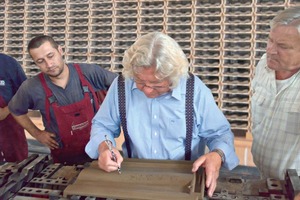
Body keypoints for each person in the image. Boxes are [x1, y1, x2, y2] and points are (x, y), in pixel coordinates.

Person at [85, 32, 239, 197]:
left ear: (173, 77)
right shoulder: (122, 85)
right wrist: (104, 147)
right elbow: (102, 125)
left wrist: (217, 155)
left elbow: (220, 134)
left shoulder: (194, 90)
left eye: (157, 84)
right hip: (132, 179)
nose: (147, 89)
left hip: (185, 182)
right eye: (141, 82)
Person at [8, 35, 118, 165]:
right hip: (64, 158)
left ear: (60, 50)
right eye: (40, 61)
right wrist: (36, 133)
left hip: (100, 150)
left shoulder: (90, 73)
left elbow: (121, 87)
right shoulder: (31, 88)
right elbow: (15, 110)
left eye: (50, 56)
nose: (49, 64)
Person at [251, 6, 300, 180]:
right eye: (270, 40)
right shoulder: (264, 65)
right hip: (263, 178)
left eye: (283, 46)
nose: (271, 50)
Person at [0, 53, 28, 163]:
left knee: (17, 168)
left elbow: (25, 93)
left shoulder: (8, 63)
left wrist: (6, 110)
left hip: (10, 128)